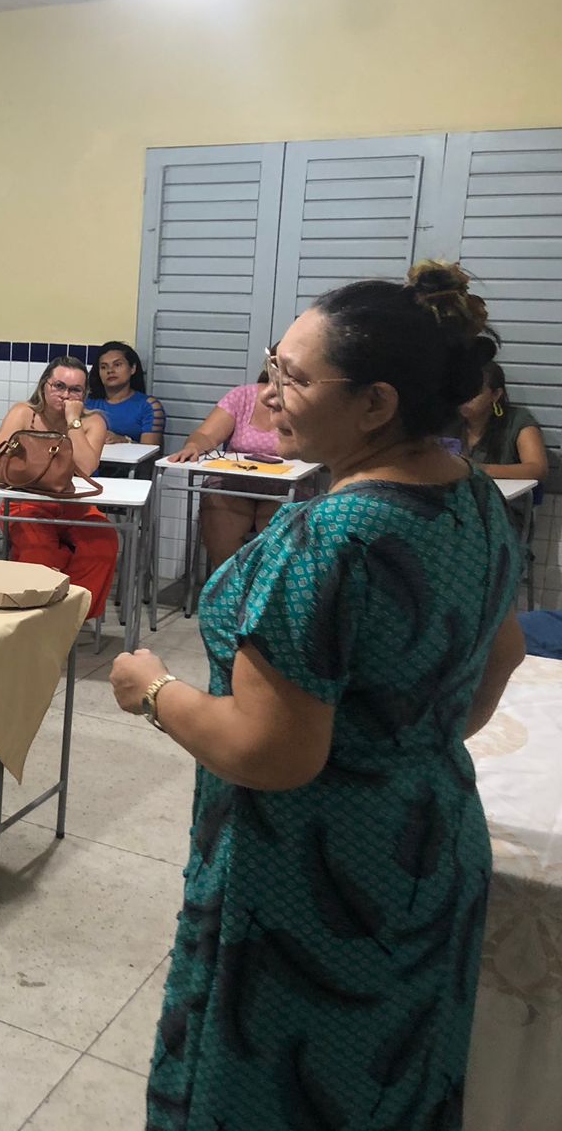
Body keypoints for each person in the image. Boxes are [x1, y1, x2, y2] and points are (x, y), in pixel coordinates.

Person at [109, 260, 527, 1131]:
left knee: (276, 1094)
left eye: (292, 379)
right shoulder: (477, 499)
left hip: (313, 878)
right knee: (389, 1087)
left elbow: (272, 752)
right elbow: (501, 655)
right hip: (432, 838)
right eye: (271, 368)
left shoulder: (332, 535)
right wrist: (403, 746)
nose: (266, 398)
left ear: (376, 404)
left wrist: (154, 690)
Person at [0, 358, 116, 618]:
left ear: (85, 394)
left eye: (75, 389)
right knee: (40, 549)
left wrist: (73, 421)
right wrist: (37, 470)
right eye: (59, 386)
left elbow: (86, 467)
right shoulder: (24, 413)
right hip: (26, 501)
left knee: (104, 541)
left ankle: (72, 615)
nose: (66, 395)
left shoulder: (94, 422)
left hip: (72, 503)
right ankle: (36, 616)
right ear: (45, 385)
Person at [166, 367, 290, 574]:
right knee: (217, 508)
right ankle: (232, 589)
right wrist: (194, 447)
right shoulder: (242, 396)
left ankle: (266, 592)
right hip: (233, 483)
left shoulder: (313, 404)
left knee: (281, 524)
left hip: (286, 488)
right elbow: (206, 434)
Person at [456, 355, 548, 482]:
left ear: (496, 395)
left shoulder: (517, 420)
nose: (466, 398)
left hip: (504, 499)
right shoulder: (446, 420)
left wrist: (480, 469)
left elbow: (538, 469)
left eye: (475, 392)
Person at [85, 341, 165, 446]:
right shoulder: (87, 404)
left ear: (132, 368)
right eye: (104, 367)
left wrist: (125, 441)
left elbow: (150, 453)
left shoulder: (149, 406)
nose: (110, 371)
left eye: (117, 365)